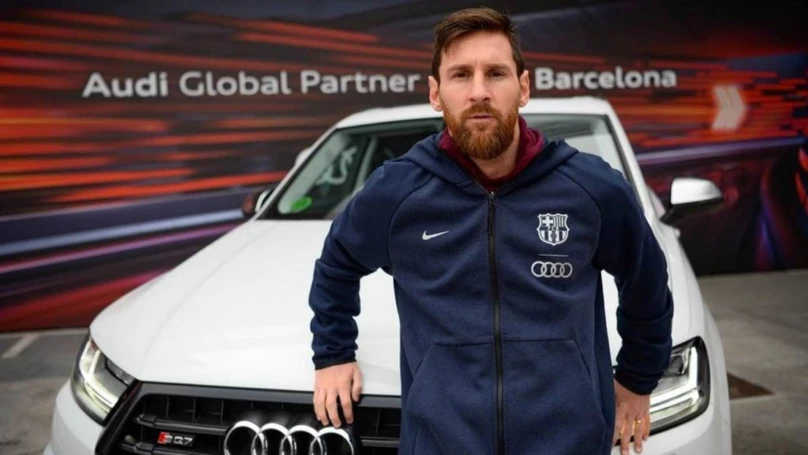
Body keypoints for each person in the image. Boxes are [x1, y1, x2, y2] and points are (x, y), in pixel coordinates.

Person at [308, 6, 673, 455]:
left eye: (496, 73)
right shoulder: (398, 191)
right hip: (440, 443)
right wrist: (333, 354)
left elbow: (645, 280)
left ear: (523, 87)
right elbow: (337, 265)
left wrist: (637, 378)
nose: (479, 92)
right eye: (461, 75)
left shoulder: (590, 188)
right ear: (436, 93)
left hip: (569, 441)